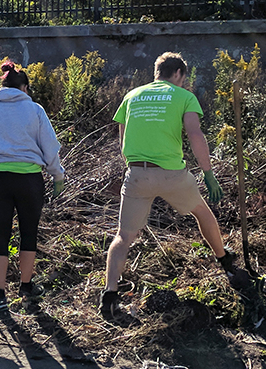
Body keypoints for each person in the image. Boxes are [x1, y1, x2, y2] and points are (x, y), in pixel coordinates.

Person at [99, 52, 250, 324]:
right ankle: (226, 263)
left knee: (123, 237)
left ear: (156, 72)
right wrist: (208, 174)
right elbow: (194, 134)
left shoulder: (132, 96)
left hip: (137, 173)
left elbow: (122, 142)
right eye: (184, 77)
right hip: (172, 175)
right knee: (202, 213)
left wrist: (135, 169)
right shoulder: (183, 96)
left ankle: (109, 296)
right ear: (179, 73)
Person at [0, 61, 66, 310]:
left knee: (0, 236)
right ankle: (26, 287)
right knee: (28, 233)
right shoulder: (35, 110)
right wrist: (57, 175)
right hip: (30, 180)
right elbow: (50, 147)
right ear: (25, 88)